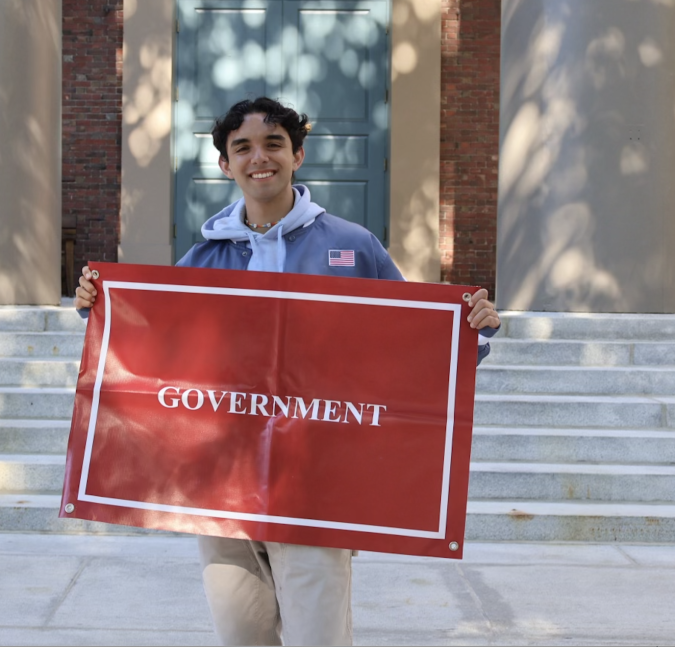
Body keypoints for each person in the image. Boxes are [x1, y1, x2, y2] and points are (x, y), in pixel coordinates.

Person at [74, 96, 501, 646]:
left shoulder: (352, 245)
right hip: (220, 487)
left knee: (317, 638)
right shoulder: (202, 259)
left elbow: (411, 343)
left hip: (315, 484)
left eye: (274, 144)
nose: (260, 158)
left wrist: (469, 333)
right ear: (225, 165)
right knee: (240, 635)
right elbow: (155, 353)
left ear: (297, 155)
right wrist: (101, 311)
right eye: (243, 148)